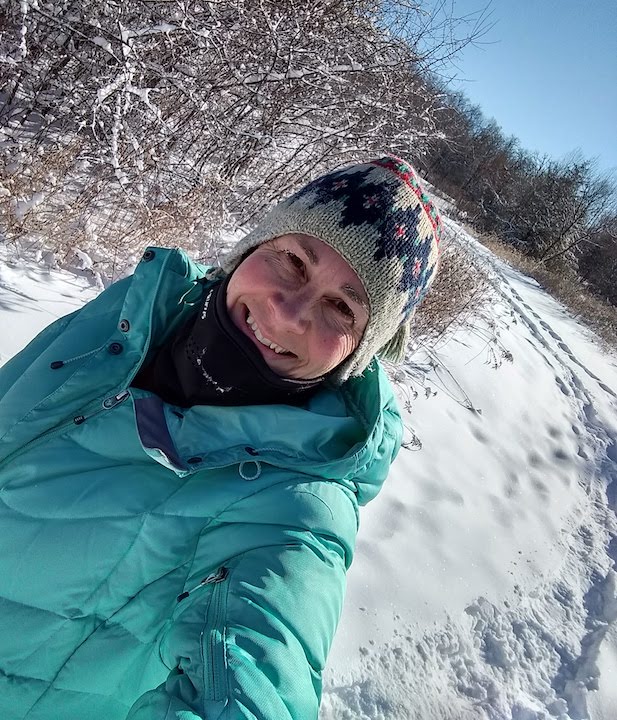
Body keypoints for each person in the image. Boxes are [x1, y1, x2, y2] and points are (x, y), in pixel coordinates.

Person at [0, 156, 441, 720]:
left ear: (357, 353)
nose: (288, 314)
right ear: (250, 248)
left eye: (342, 307)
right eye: (292, 261)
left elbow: (258, 675)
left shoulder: (299, 508)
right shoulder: (127, 321)